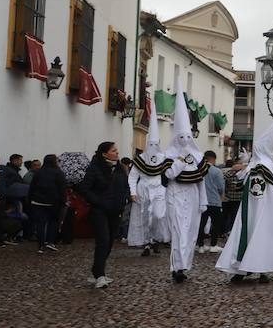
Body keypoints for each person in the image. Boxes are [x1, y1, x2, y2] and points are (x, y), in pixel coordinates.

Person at [216, 104, 273, 283]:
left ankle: (261, 268)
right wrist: (243, 170)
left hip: (264, 206)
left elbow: (269, 179)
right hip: (249, 205)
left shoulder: (267, 163)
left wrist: (248, 170)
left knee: (261, 234)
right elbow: (241, 180)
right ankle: (242, 268)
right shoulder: (255, 163)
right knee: (245, 234)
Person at [164, 88, 209, 283]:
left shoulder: (198, 157)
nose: (185, 141)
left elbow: (200, 180)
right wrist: (181, 160)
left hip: (192, 197)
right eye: (181, 137)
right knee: (178, 231)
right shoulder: (169, 156)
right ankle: (176, 266)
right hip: (175, 195)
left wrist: (203, 201)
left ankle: (185, 266)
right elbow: (170, 174)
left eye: (188, 137)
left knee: (190, 232)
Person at [78, 141, 131, 288]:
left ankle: (97, 271)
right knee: (103, 240)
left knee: (109, 243)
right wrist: (98, 201)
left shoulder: (120, 169)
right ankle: (100, 275)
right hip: (99, 211)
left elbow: (125, 186)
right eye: (113, 150)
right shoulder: (95, 169)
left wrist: (126, 197)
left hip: (116, 210)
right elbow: (84, 189)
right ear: (104, 153)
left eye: (117, 150)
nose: (117, 153)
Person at [129, 97, 171, 256]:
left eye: (155, 144)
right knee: (144, 217)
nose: (153, 147)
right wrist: (133, 192)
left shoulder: (163, 158)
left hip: (159, 189)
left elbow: (170, 174)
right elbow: (133, 176)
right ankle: (147, 242)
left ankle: (156, 238)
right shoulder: (140, 159)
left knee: (158, 215)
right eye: (150, 144)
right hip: (143, 189)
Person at [26, 153, 66, 254]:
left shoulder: (38, 172)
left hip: (37, 202)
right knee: (53, 222)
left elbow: (32, 187)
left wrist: (30, 199)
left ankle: (41, 245)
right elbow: (62, 189)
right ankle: (50, 242)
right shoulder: (58, 172)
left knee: (40, 223)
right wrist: (63, 201)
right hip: (53, 202)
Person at [197, 150, 225, 254]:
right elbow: (220, 187)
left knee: (201, 224)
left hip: (202, 201)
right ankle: (213, 245)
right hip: (214, 201)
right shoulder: (216, 171)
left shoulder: (198, 170)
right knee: (215, 224)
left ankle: (200, 245)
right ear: (213, 159)